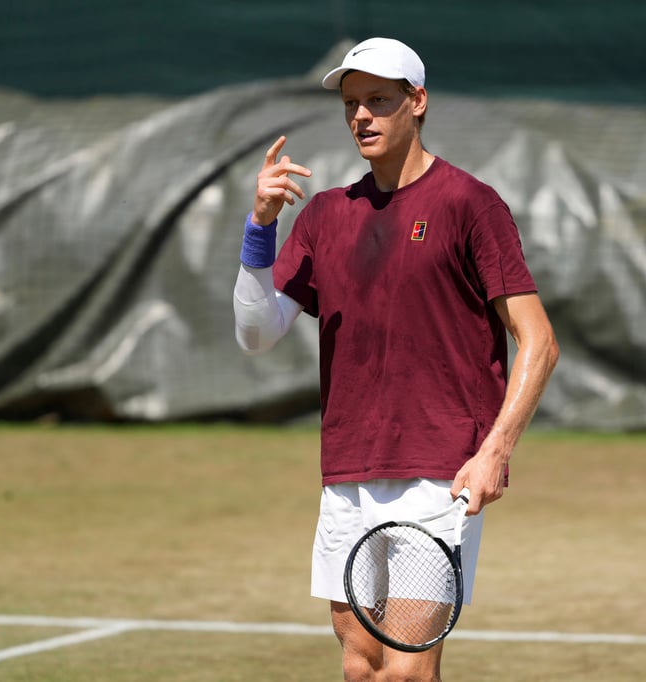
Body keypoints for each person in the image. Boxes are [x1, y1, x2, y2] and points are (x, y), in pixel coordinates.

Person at [232, 37, 559, 682]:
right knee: (360, 667)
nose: (362, 116)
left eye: (379, 100)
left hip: (438, 474)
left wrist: (494, 451)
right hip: (346, 472)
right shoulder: (326, 214)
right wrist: (260, 228)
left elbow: (539, 341)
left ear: (419, 102)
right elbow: (256, 333)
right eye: (352, 104)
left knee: (406, 674)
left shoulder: (470, 203)